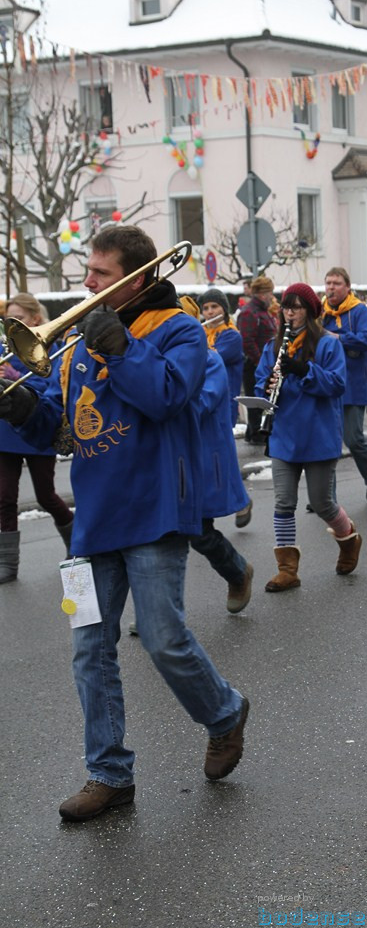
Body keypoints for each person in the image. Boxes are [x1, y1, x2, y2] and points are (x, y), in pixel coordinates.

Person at [0, 226, 250, 821]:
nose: (86, 284)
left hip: (156, 510)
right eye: (88, 272)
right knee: (89, 649)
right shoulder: (82, 342)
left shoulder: (180, 330)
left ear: (136, 279)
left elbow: (166, 397)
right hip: (94, 520)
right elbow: (63, 432)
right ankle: (109, 773)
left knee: (163, 639)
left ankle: (224, 714)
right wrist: (26, 409)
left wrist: (120, 347)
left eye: (101, 275)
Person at [255, 283, 362, 591]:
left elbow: (338, 384)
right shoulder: (273, 346)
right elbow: (263, 378)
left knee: (322, 503)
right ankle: (287, 569)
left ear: (311, 311)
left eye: (297, 307)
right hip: (284, 434)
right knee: (283, 501)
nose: (290, 312)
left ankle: (349, 539)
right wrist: (266, 386)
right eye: (286, 307)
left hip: (318, 433)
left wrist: (303, 370)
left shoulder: (328, 344)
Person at [182, 297, 254, 613]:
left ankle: (238, 571)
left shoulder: (210, 357)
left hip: (199, 452)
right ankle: (156, 605)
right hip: (160, 459)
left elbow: (196, 404)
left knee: (198, 533)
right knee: (155, 537)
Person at [0, 293, 74, 583]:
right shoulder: (5, 347)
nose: (12, 323)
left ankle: (76, 544)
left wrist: (14, 373)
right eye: (9, 318)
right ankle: (7, 563)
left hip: (37, 427)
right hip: (6, 431)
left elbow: (52, 386)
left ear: (35, 319)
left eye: (18, 317)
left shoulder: (50, 347)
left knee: (46, 496)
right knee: (4, 498)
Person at [321, 267, 367, 503]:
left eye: (336, 283)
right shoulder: (321, 313)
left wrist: (339, 338)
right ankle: (326, 496)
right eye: (328, 283)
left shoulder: (358, 311)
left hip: (352, 384)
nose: (331, 288)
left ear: (347, 287)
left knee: (353, 438)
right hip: (327, 384)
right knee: (328, 441)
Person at [238, 275, 277, 445]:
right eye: (270, 292)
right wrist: (261, 361)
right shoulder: (249, 312)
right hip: (254, 365)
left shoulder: (262, 311)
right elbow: (247, 341)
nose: (271, 296)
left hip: (263, 363)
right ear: (262, 294)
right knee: (255, 400)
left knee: (263, 400)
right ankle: (255, 434)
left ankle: (254, 433)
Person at [199, 288, 244, 428]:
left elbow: (209, 359)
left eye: (214, 306)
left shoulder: (232, 336)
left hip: (224, 396)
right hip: (205, 395)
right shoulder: (202, 333)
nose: (210, 312)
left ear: (224, 309)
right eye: (205, 308)